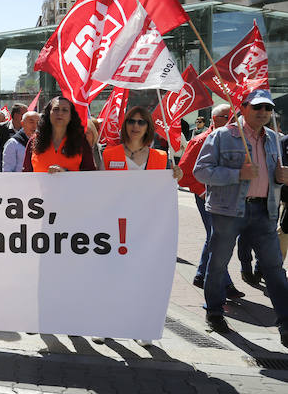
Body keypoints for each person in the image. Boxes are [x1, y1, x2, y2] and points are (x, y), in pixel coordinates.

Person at [194, 89, 288, 347]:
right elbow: (201, 171)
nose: (264, 113)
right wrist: (237, 173)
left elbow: (273, 176)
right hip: (228, 211)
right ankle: (214, 311)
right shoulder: (222, 136)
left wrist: (281, 179)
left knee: (274, 268)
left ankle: (285, 322)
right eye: (258, 107)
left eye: (268, 108)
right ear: (244, 107)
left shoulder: (273, 139)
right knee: (218, 264)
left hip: (264, 211)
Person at [179, 104, 245, 300]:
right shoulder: (200, 140)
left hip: (224, 198)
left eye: (235, 118)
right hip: (207, 198)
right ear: (216, 119)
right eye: (229, 118)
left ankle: (201, 275)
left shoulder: (233, 139)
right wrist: (201, 192)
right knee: (218, 238)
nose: (235, 122)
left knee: (214, 237)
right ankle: (225, 284)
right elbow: (183, 175)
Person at [22, 96, 96, 173]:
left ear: (71, 116)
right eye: (56, 109)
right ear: (48, 113)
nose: (60, 113)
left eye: (65, 110)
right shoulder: (34, 140)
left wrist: (66, 174)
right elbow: (26, 174)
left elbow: (90, 175)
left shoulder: (81, 142)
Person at [101, 106, 181, 178]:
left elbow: (166, 185)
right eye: (131, 121)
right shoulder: (108, 154)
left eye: (141, 122)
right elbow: (101, 184)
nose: (135, 126)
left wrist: (177, 175)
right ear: (125, 125)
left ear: (148, 127)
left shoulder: (161, 157)